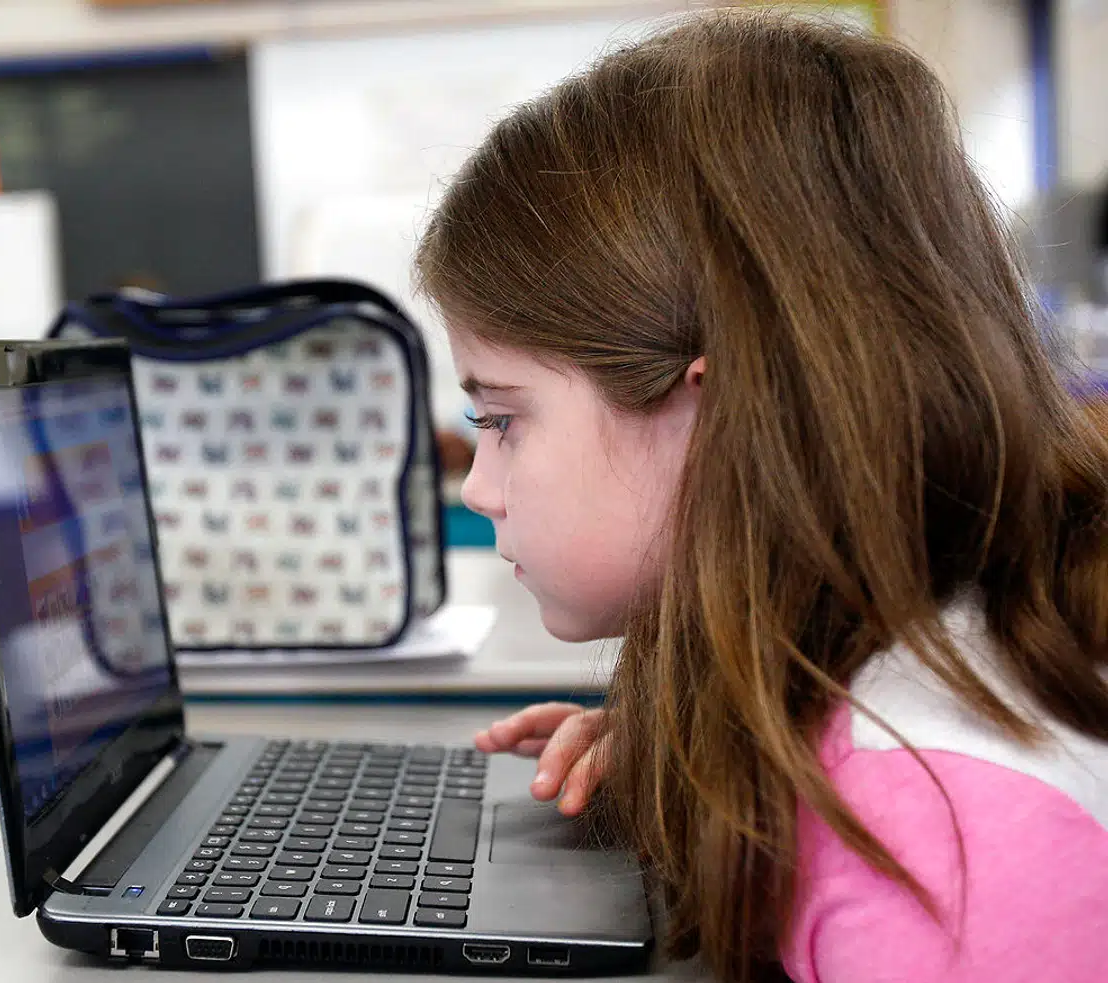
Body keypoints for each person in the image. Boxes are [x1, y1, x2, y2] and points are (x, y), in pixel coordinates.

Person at [414, 11, 1108, 983]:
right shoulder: (904, 679)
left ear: (715, 410)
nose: (481, 485)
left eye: (503, 419)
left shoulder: (939, 846)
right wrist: (685, 743)